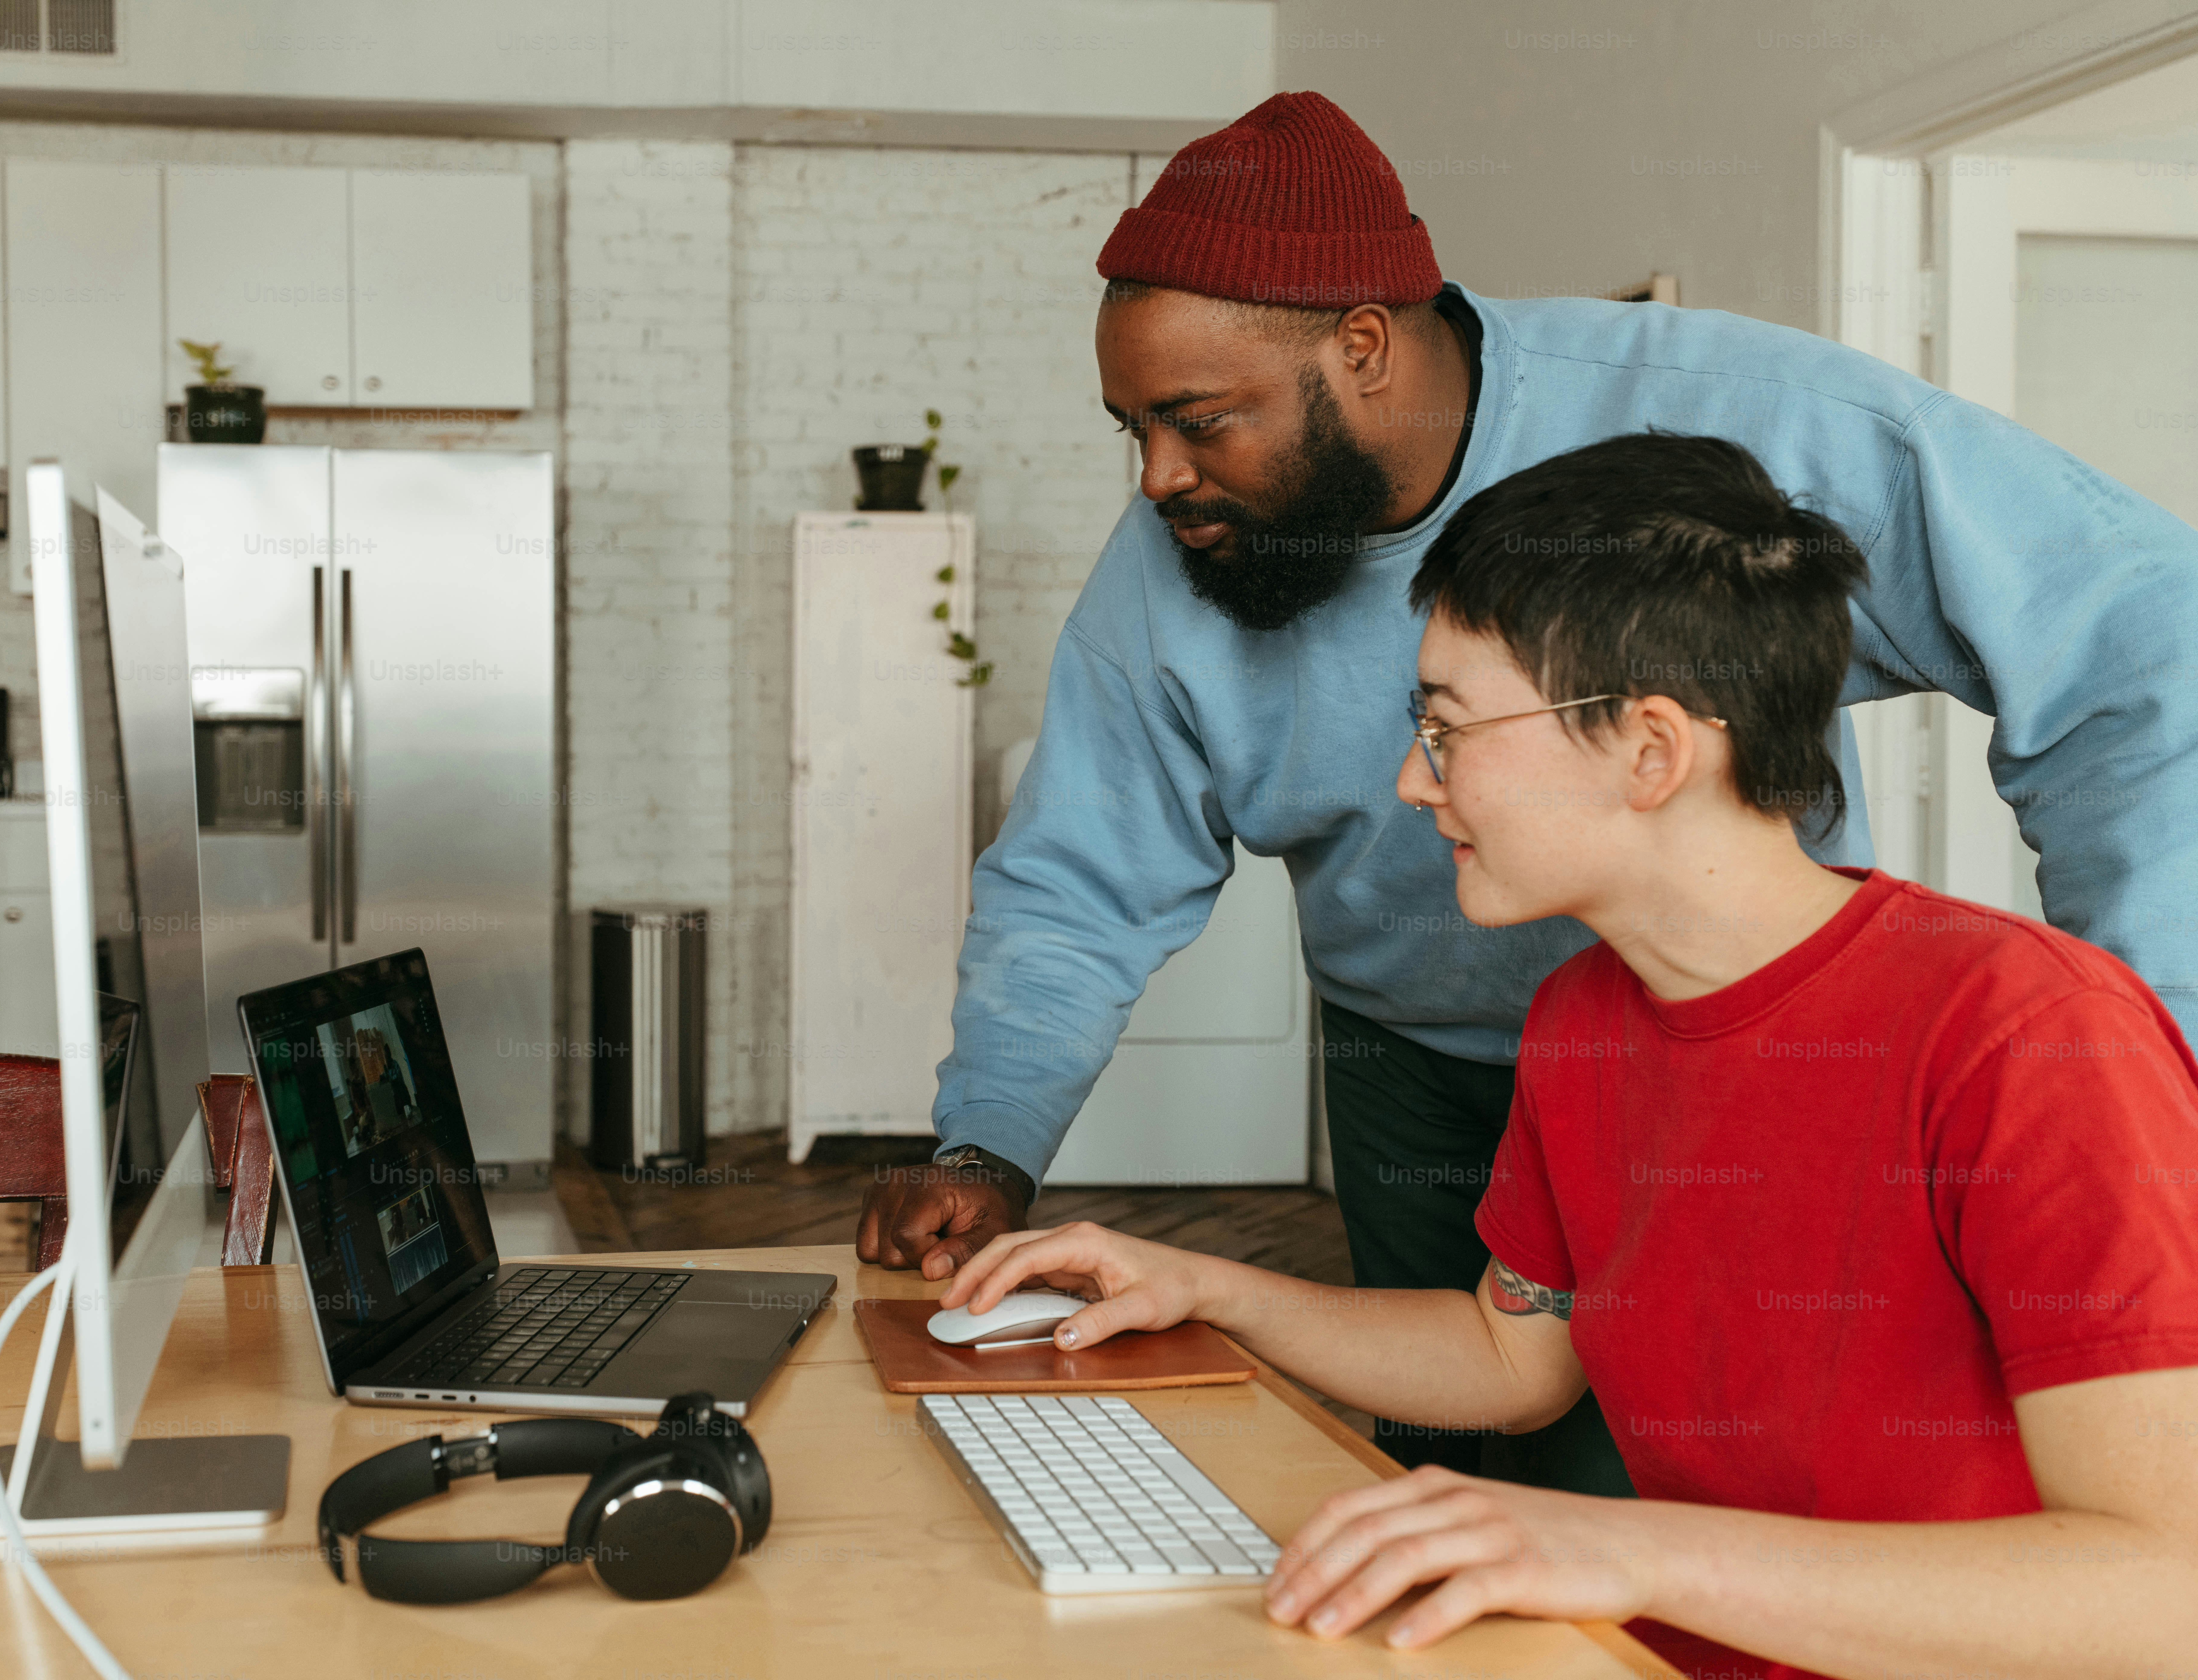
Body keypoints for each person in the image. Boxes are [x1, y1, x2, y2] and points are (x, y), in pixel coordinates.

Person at [854, 90, 2198, 1498]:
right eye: (1132, 428)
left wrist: (2134, 1068)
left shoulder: (1740, 431)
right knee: (1469, 1468)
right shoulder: (1184, 553)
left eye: (1198, 420)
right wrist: (1002, 1149)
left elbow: (2136, 635)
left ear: (1361, 346)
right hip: (1455, 1061)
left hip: (1759, 1054)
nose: (1156, 477)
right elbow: (1078, 875)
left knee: (1759, 1452)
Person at [936, 432, 2198, 1680]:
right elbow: (1512, 1359)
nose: (1411, 783)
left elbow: (2166, 1591)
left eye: (1448, 729)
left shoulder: (2030, 1038)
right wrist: (1209, 1288)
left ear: (1652, 750)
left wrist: (1633, 1551)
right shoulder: (1587, 1017)